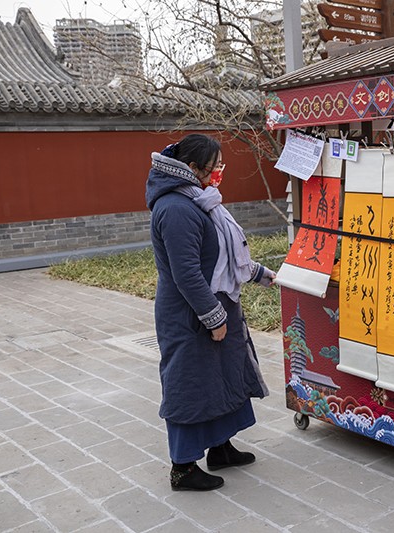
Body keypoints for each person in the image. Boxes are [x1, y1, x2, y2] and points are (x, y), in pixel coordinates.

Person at [145, 134, 275, 491]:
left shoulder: (201, 200)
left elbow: (225, 255)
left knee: (222, 376)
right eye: (214, 165)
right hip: (190, 314)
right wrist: (213, 318)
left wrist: (262, 274)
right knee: (191, 384)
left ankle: (220, 446)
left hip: (215, 305)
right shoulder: (175, 209)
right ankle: (182, 467)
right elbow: (186, 273)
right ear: (191, 169)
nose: (219, 171)